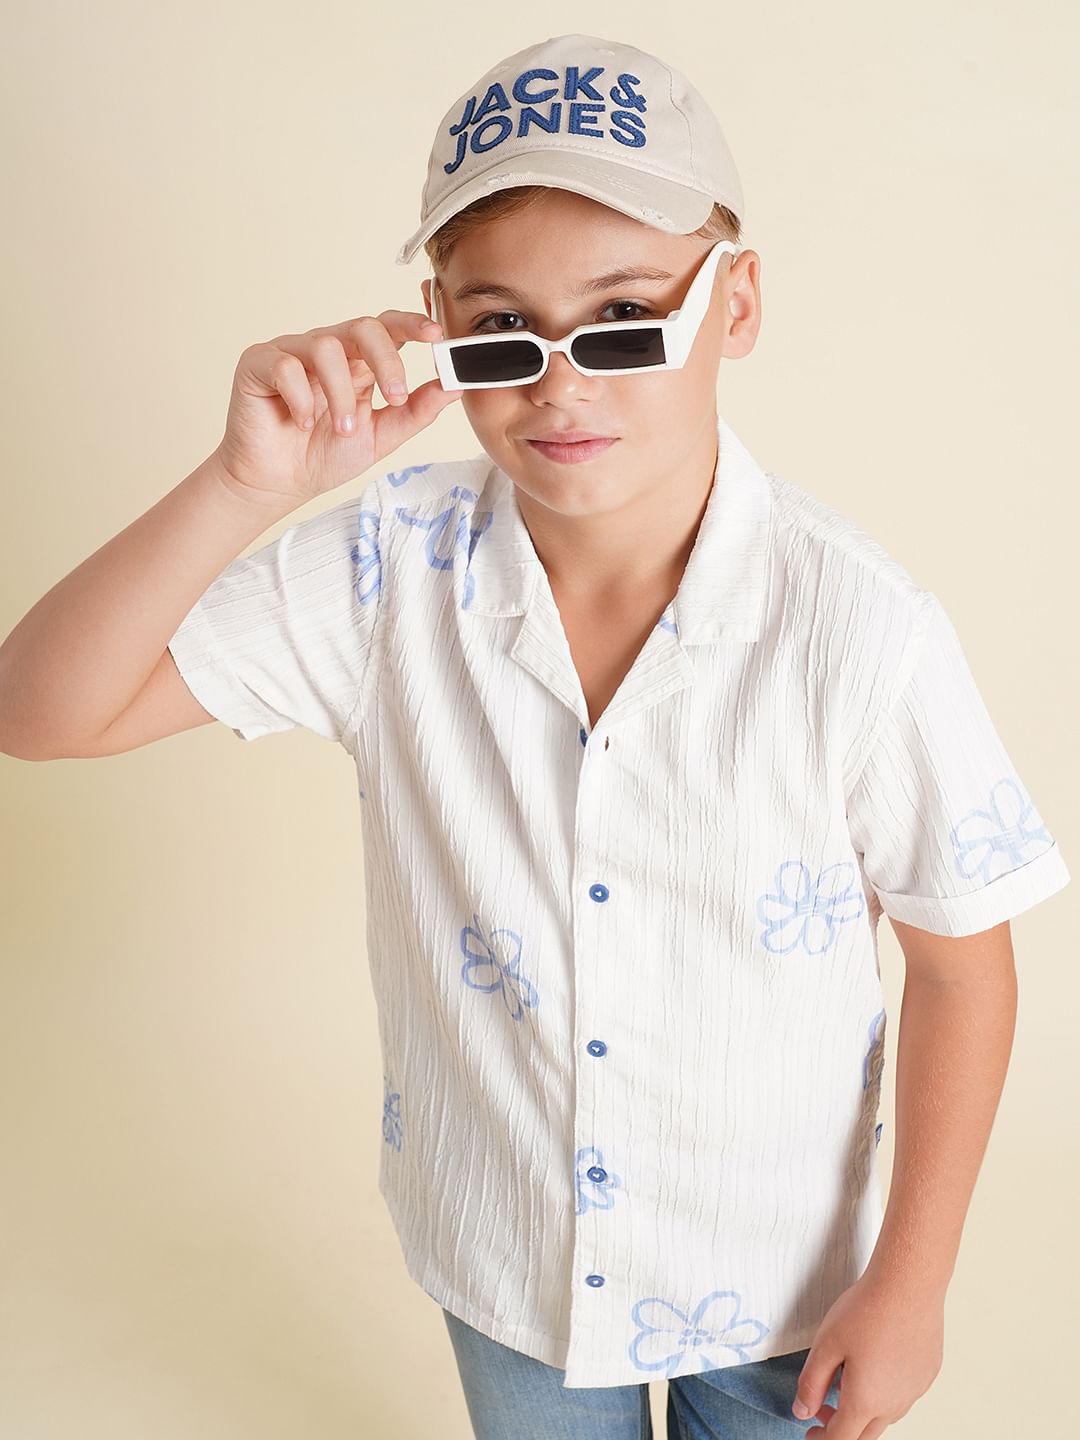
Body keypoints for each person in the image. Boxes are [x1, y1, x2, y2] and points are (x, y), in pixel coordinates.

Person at [0, 29, 1069, 1440]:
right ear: (435, 324)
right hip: (512, 1261)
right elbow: (40, 712)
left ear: (737, 305)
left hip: (788, 1277)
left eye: (623, 320)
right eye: (500, 332)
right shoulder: (385, 571)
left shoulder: (858, 628)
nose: (560, 387)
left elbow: (960, 967)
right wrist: (244, 485)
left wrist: (913, 1282)